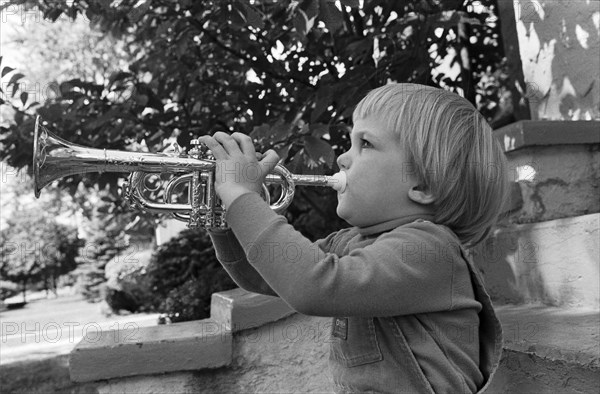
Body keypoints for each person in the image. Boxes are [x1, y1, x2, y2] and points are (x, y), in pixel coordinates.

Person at [198, 83, 507, 393]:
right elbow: (262, 276)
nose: (343, 159)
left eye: (366, 144)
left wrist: (242, 198)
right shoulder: (350, 242)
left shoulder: (429, 249)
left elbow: (311, 286)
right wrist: (227, 220)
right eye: (350, 142)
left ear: (423, 185)